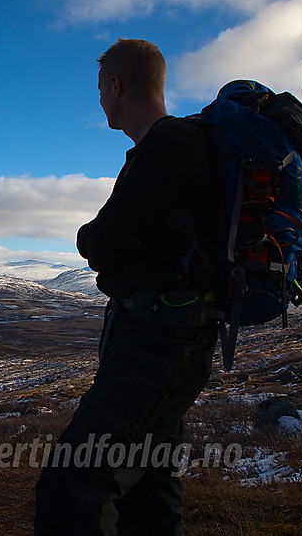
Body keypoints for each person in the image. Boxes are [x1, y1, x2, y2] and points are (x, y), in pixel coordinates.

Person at [34, 39, 223, 535]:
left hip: (156, 343)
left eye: (100, 88)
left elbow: (100, 241)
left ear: (116, 85)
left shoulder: (168, 145)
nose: (99, 99)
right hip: (168, 335)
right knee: (149, 480)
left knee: (75, 478)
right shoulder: (172, 146)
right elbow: (118, 241)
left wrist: (96, 239)